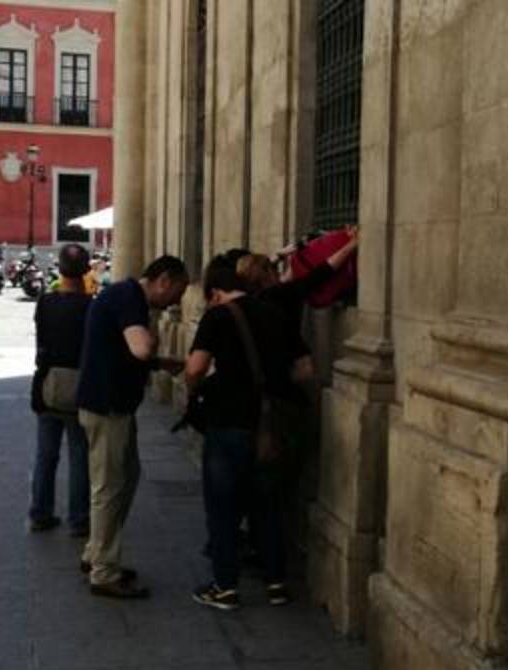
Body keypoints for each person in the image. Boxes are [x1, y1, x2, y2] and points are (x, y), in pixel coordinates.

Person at [184, 262, 313, 611]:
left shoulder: (218, 317)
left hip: (228, 421)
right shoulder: (275, 313)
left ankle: (225, 587)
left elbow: (195, 368)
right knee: (267, 505)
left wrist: (193, 387)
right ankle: (276, 583)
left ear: (214, 293)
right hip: (270, 426)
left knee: (223, 506)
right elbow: (305, 370)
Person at [77, 255, 189, 599]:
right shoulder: (129, 298)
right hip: (107, 407)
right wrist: (153, 349)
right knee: (109, 487)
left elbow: (123, 350)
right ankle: (104, 571)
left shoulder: (126, 297)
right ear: (163, 280)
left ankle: (97, 554)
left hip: (113, 406)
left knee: (125, 477)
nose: (177, 301)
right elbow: (139, 348)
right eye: (178, 291)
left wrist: (161, 363)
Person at [29, 244, 95, 537]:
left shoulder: (45, 302)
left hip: (47, 385)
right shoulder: (91, 306)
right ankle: (79, 519)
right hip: (79, 387)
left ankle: (40, 512)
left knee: (46, 454)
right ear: (86, 270)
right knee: (79, 455)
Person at [236, 227, 358, 331]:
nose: (278, 270)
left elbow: (258, 274)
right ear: (265, 275)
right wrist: (351, 244)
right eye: (273, 268)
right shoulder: (279, 295)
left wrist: (278, 256)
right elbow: (319, 274)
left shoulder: (255, 297)